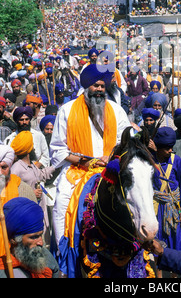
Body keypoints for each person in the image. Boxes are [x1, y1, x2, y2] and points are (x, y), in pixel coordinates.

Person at [49, 62, 131, 248]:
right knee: (61, 205)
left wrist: (110, 156)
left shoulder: (116, 110)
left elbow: (125, 139)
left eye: (103, 86)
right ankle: (65, 249)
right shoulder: (67, 110)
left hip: (110, 168)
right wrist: (86, 162)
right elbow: (58, 149)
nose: (100, 90)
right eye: (96, 85)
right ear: (87, 86)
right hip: (76, 170)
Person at [152, 127, 181, 278]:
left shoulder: (176, 160)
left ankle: (175, 277)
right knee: (156, 242)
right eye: (166, 148)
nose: (170, 150)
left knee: (176, 243)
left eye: (171, 147)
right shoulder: (150, 161)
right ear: (158, 147)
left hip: (173, 209)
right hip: (155, 208)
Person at [10, 131, 56, 247]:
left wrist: (57, 166)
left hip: (40, 209)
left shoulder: (32, 165)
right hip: (28, 216)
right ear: (30, 149)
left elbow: (41, 175)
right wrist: (30, 193)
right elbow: (12, 193)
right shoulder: (16, 168)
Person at [0, 198, 60, 278]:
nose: (40, 243)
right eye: (33, 237)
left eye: (40, 235)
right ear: (14, 240)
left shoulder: (44, 255)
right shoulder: (4, 272)